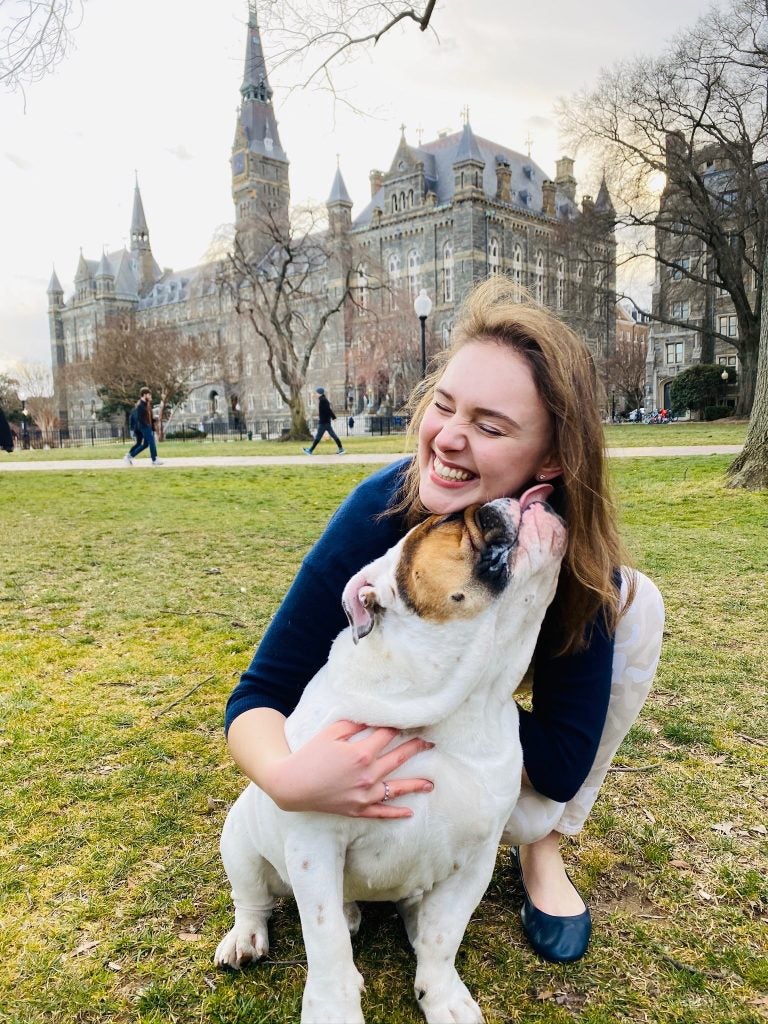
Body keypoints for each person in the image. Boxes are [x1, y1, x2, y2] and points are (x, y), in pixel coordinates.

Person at [226, 278, 664, 965]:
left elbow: (556, 764)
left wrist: (463, 679)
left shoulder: (567, 551)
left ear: (551, 457)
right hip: (412, 737)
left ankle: (541, 850)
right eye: (445, 406)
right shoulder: (382, 515)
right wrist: (287, 781)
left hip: (494, 754)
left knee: (638, 604)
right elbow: (259, 696)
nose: (449, 438)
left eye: (490, 427)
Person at [123, 387, 163, 466]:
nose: (150, 396)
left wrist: (154, 419)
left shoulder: (146, 404)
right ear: (144, 395)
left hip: (146, 426)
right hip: (144, 427)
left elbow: (148, 417)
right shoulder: (140, 405)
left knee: (145, 445)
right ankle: (154, 459)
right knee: (151, 441)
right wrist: (146, 426)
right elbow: (140, 419)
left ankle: (129, 456)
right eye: (149, 394)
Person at [303, 386, 345, 455]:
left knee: (318, 437)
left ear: (319, 393)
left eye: (316, 393)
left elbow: (328, 410)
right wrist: (333, 417)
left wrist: (333, 417)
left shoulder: (323, 401)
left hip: (323, 422)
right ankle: (341, 449)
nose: (316, 394)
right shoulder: (323, 400)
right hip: (325, 422)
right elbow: (327, 410)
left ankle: (310, 450)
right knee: (332, 435)